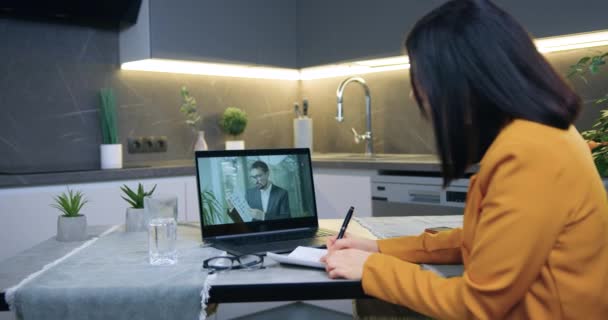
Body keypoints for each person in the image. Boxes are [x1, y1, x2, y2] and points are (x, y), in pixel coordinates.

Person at [321, 0, 608, 319]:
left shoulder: (528, 153)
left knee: (376, 297)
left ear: (458, 80)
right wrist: (379, 249)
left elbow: (476, 306)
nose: (415, 95)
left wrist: (373, 268)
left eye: (420, 78)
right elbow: (490, 241)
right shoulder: (549, 135)